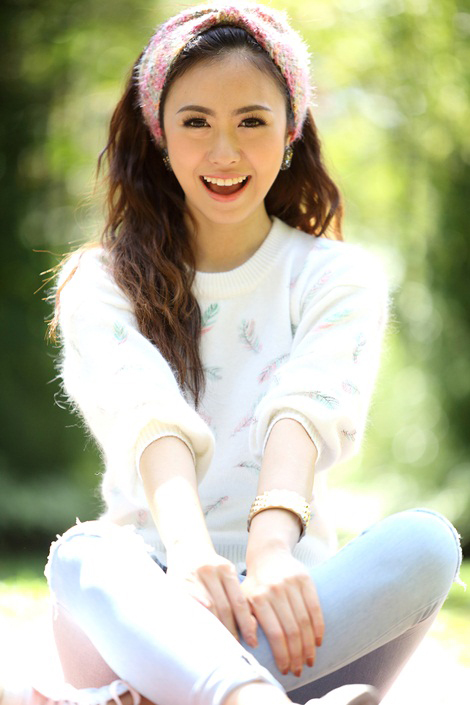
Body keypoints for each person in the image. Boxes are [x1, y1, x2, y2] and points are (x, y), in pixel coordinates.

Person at [1, 3, 463, 705]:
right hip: (145, 601)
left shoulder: (338, 278)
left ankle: (167, 694)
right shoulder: (102, 281)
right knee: (83, 555)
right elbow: (147, 416)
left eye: (251, 121)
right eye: (196, 122)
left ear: (290, 131)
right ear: (160, 136)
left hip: (291, 609)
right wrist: (191, 558)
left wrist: (270, 551)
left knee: (427, 543)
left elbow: (304, 411)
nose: (224, 152)